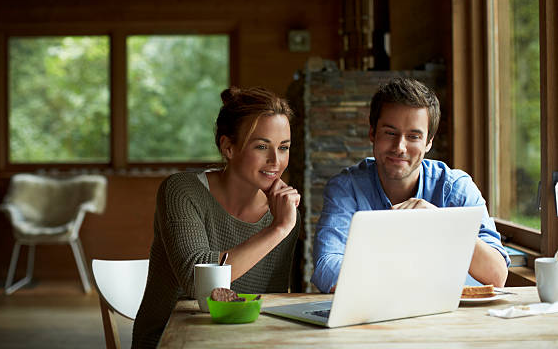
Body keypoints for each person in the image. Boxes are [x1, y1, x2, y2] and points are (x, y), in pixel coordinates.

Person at [132, 86, 301, 348]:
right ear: (228, 147)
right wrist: (278, 229)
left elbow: (268, 300)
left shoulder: (285, 214)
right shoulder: (182, 191)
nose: (275, 161)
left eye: (284, 147)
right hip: (170, 341)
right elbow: (195, 280)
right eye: (261, 146)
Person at [311, 77, 510, 294]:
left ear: (429, 142)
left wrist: (443, 223)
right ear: (372, 133)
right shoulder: (346, 188)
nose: (400, 147)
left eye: (413, 136)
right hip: (374, 317)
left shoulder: (456, 188)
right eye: (390, 133)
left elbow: (497, 275)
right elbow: (326, 266)